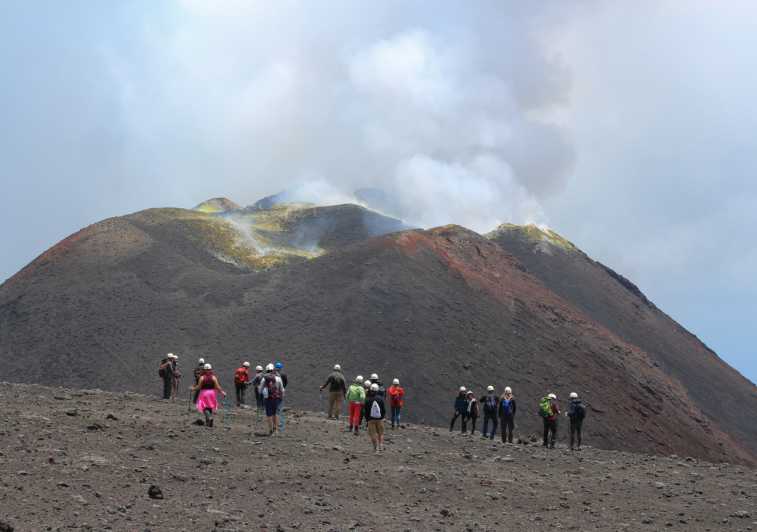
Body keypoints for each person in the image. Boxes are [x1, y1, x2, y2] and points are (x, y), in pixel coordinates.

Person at [258, 363, 284, 435]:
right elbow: (282, 389)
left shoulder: (264, 379)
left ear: (266, 370)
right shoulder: (278, 378)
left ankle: (270, 430)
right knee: (275, 413)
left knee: (269, 414)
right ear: (273, 370)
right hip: (276, 398)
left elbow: (260, 390)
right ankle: (276, 430)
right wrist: (281, 397)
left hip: (267, 398)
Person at [364, 383, 386, 453]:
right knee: (380, 433)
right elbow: (383, 410)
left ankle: (375, 448)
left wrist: (367, 419)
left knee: (373, 434)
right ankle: (381, 447)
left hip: (371, 420)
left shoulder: (367, 400)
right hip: (379, 419)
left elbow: (365, 411)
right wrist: (382, 417)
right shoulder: (381, 399)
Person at [274, 362, 287, 431]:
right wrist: (283, 388)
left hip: (275, 393)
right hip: (281, 392)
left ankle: (277, 423)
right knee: (280, 407)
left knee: (276, 409)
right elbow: (286, 382)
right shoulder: (284, 374)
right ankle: (282, 425)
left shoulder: (274, 375)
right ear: (281, 368)